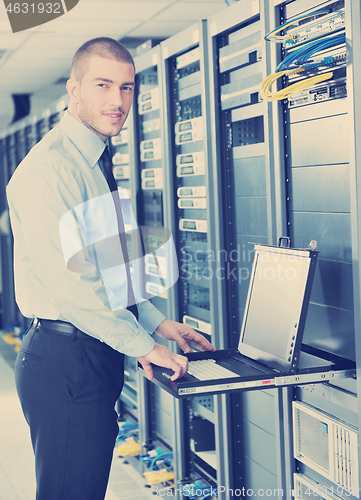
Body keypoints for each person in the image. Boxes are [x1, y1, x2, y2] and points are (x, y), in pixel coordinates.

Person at [6, 37, 215, 500]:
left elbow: (106, 269)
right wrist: (145, 347)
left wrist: (159, 324)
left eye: (126, 87)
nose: (117, 100)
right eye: (103, 85)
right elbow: (75, 289)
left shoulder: (94, 160)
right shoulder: (53, 170)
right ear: (74, 89)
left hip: (89, 350)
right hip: (66, 358)